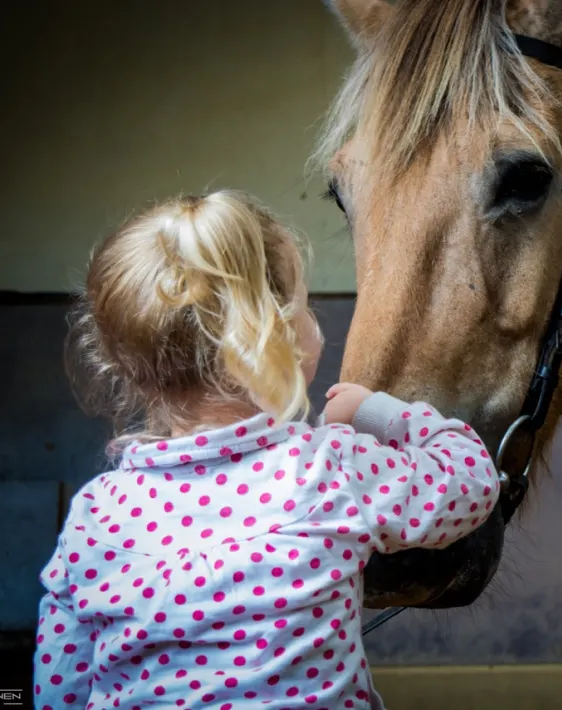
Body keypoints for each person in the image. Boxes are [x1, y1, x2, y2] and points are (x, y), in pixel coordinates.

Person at [33, 190, 500, 709]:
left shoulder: (96, 514)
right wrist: (378, 411)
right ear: (273, 338)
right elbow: (470, 481)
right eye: (304, 307)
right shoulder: (328, 469)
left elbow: (61, 685)